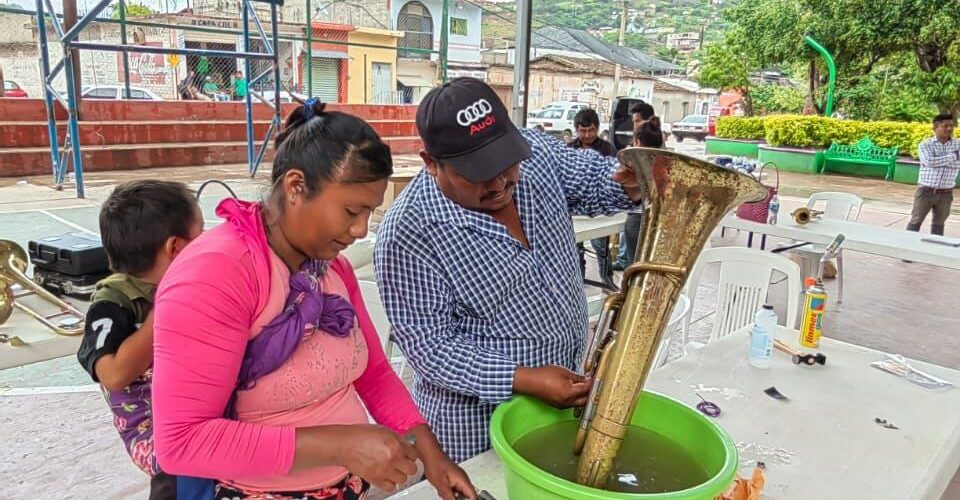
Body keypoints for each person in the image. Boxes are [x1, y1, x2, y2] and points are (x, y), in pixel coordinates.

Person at [152, 100, 475, 500]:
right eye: (351, 211)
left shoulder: (328, 268)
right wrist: (342, 445)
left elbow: (373, 373)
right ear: (295, 187)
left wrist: (433, 458)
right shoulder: (217, 273)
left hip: (343, 487)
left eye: (370, 213)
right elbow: (182, 442)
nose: (360, 230)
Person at [373, 77, 644, 462]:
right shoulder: (409, 231)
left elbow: (595, 181)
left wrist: (631, 181)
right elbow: (432, 348)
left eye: (506, 163)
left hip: (558, 405)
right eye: (478, 172)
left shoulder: (537, 156)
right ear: (432, 163)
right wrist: (526, 379)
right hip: (472, 430)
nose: (501, 182)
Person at [76, 180, 203, 500]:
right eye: (199, 238)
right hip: (156, 434)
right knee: (182, 478)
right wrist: (166, 307)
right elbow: (114, 374)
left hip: (195, 410)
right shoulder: (113, 300)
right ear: (176, 247)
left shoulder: (195, 284)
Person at [568, 108, 618, 289]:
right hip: (575, 208)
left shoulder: (607, 149)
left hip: (599, 209)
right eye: (583, 131)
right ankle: (578, 282)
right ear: (576, 130)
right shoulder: (569, 149)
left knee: (601, 246)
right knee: (575, 247)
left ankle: (606, 280)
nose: (587, 134)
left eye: (591, 130)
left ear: (597, 129)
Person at [614, 100, 658, 270]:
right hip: (640, 212)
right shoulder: (639, 146)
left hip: (641, 214)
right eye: (634, 122)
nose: (634, 126)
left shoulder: (644, 148)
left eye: (637, 121)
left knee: (636, 267)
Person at [906, 113, 959, 236]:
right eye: (945, 126)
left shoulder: (958, 144)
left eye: (951, 126)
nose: (949, 129)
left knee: (939, 225)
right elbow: (929, 162)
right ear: (935, 128)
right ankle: (907, 246)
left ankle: (935, 251)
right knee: (915, 222)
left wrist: (940, 161)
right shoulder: (925, 145)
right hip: (926, 191)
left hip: (946, 193)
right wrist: (954, 156)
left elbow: (955, 165)